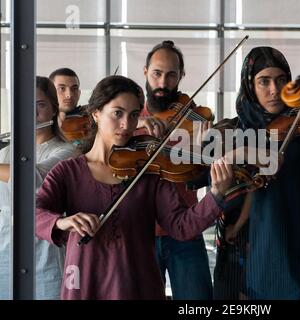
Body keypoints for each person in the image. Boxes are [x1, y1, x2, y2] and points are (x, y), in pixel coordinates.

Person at [35, 75, 233, 300]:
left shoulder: (148, 172)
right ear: (96, 113)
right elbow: (34, 213)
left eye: (134, 115)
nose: (126, 125)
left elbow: (181, 226)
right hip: (86, 283)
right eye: (117, 113)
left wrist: (216, 193)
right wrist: (63, 221)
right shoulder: (68, 171)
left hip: (138, 286)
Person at [212, 46, 300, 299]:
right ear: (249, 85)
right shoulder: (229, 132)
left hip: (290, 253)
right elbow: (197, 177)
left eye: (281, 80)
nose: (274, 90)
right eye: (264, 81)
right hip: (241, 255)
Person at [136, 40, 214, 300]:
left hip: (184, 228)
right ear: (145, 71)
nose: (163, 82)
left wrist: (206, 153)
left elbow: (202, 177)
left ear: (181, 76)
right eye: (157, 73)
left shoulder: (195, 120)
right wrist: (136, 121)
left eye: (171, 75)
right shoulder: (127, 117)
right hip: (138, 231)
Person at [0, 76, 78, 299]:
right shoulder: (5, 152)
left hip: (46, 258)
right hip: (5, 255)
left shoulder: (66, 151)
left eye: (40, 105)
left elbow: (32, 178)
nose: (32, 113)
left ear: (54, 109)